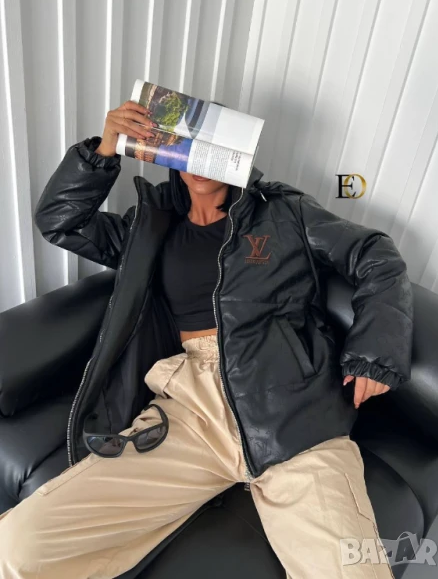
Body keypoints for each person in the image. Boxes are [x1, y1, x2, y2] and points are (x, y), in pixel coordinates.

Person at [0, 99, 413, 579]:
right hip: (188, 410)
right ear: (169, 149)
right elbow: (60, 221)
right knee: (20, 546)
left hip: (292, 409)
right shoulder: (151, 225)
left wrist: (375, 352)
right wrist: (104, 150)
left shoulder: (283, 211)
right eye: (187, 144)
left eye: (214, 143)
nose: (200, 158)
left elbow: (374, 253)